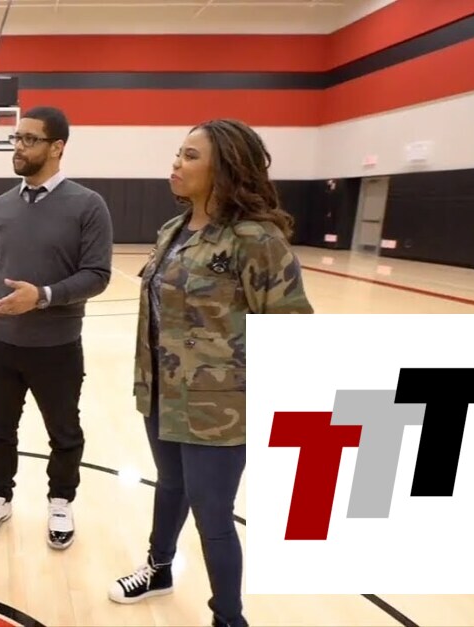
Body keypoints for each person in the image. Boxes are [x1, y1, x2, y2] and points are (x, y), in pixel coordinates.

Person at [107, 119, 313, 627]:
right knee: (170, 486)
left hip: (219, 408)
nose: (176, 163)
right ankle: (158, 570)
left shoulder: (256, 240)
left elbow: (291, 329)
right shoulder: (171, 231)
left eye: (190, 155)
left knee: (213, 515)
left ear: (225, 168)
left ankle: (228, 618)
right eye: (179, 153)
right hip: (162, 392)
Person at [0, 106, 113, 550]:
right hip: (0, 345)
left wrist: (42, 296)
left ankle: (61, 501)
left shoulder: (88, 205)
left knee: (65, 433)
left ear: (57, 147)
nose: (18, 147)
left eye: (29, 139)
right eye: (16, 139)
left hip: (58, 346)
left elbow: (97, 275)